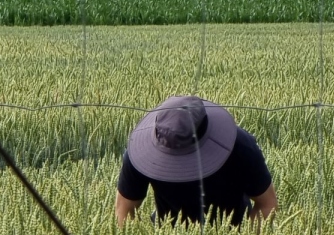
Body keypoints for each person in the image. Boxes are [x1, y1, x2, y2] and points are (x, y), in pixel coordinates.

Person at [115, 95, 277, 227]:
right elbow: (124, 211)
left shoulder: (241, 146)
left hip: (234, 229)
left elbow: (267, 204)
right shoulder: (139, 153)